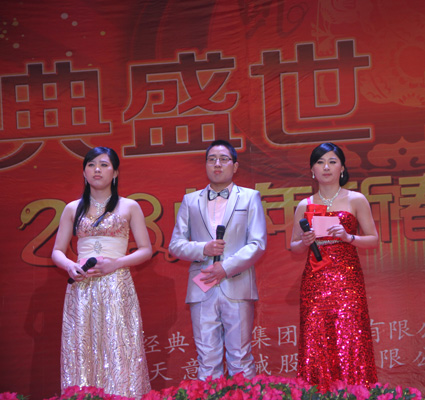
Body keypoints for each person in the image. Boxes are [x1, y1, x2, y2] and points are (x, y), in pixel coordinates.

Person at [51, 147, 152, 398]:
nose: (97, 170)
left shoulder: (129, 206)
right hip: (82, 286)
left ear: (115, 173)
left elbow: (146, 250)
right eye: (91, 164)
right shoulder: (72, 208)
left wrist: (116, 264)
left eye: (104, 165)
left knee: (118, 345)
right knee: (82, 346)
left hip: (117, 284)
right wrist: (69, 266)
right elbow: (57, 251)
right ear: (84, 172)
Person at [169, 139, 267, 380]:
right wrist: (204, 248)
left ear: (235, 166)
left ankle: (245, 396)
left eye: (224, 159)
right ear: (205, 165)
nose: (217, 164)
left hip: (237, 283)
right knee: (207, 359)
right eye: (212, 159)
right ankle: (208, 395)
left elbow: (258, 243)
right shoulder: (190, 200)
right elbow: (175, 245)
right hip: (202, 286)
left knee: (240, 356)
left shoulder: (250, 197)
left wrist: (226, 267)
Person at [290, 142, 378, 389]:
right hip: (315, 280)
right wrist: (304, 241)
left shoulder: (356, 199)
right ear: (312, 171)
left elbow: (373, 239)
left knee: (351, 336)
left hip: (348, 279)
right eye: (319, 162)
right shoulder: (304, 204)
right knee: (316, 338)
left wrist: (349, 237)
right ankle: (317, 392)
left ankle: (356, 392)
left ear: (342, 168)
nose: (326, 167)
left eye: (332, 161)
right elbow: (294, 247)